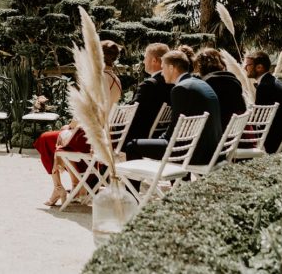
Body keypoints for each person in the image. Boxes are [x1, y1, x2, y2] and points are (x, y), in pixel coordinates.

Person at [34, 40, 122, 207]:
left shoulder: (98, 78)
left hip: (89, 138)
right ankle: (76, 186)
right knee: (57, 138)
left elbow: (86, 111)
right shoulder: (116, 79)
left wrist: (70, 126)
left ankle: (59, 187)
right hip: (107, 136)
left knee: (46, 139)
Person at [124, 47, 221, 166]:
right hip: (211, 151)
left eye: (163, 68)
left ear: (171, 68)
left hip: (192, 153)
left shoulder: (181, 89)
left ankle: (131, 186)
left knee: (132, 145)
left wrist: (157, 140)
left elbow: (174, 131)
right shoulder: (199, 83)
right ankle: (179, 183)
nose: (162, 72)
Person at [245, 51, 282, 152]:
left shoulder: (265, 86)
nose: (245, 68)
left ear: (259, 67)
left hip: (274, 140)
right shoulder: (272, 82)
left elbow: (259, 120)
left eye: (248, 65)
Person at [124, 44, 172, 143]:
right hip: (158, 134)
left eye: (145, 57)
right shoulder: (172, 83)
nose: (143, 61)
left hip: (137, 136)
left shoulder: (149, 84)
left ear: (154, 60)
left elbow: (132, 111)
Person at [196, 48, 246, 132]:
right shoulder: (233, 79)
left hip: (221, 132)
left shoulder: (206, 84)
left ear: (200, 65)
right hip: (240, 130)